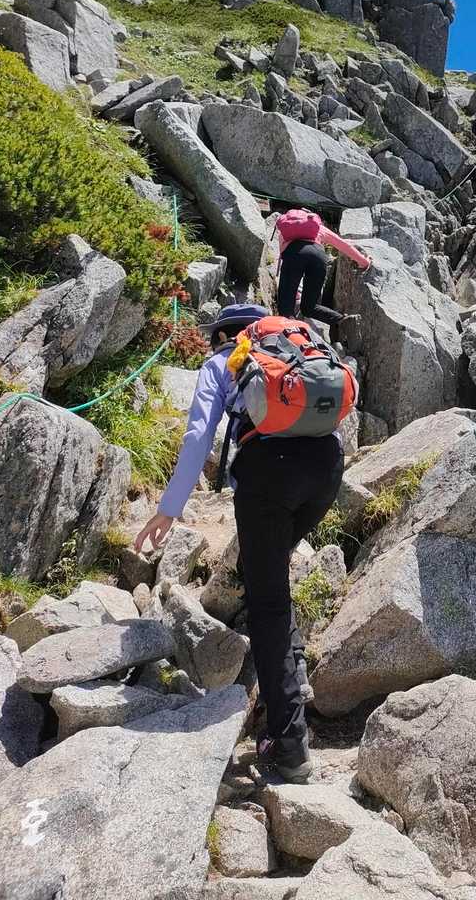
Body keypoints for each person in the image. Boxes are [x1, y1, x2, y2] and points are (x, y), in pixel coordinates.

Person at [134, 303, 345, 783]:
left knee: (267, 602)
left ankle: (288, 746)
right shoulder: (296, 348)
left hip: (269, 475)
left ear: (221, 336)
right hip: (327, 468)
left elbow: (198, 435)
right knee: (270, 582)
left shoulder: (223, 362)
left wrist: (169, 508)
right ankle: (293, 680)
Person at [274, 208, 372, 326]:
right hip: (318, 256)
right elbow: (344, 245)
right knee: (309, 307)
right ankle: (340, 319)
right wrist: (363, 262)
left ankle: (290, 329)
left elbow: (285, 257)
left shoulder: (286, 228)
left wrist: (292, 293)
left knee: (285, 307)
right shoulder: (318, 228)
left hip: (293, 254)